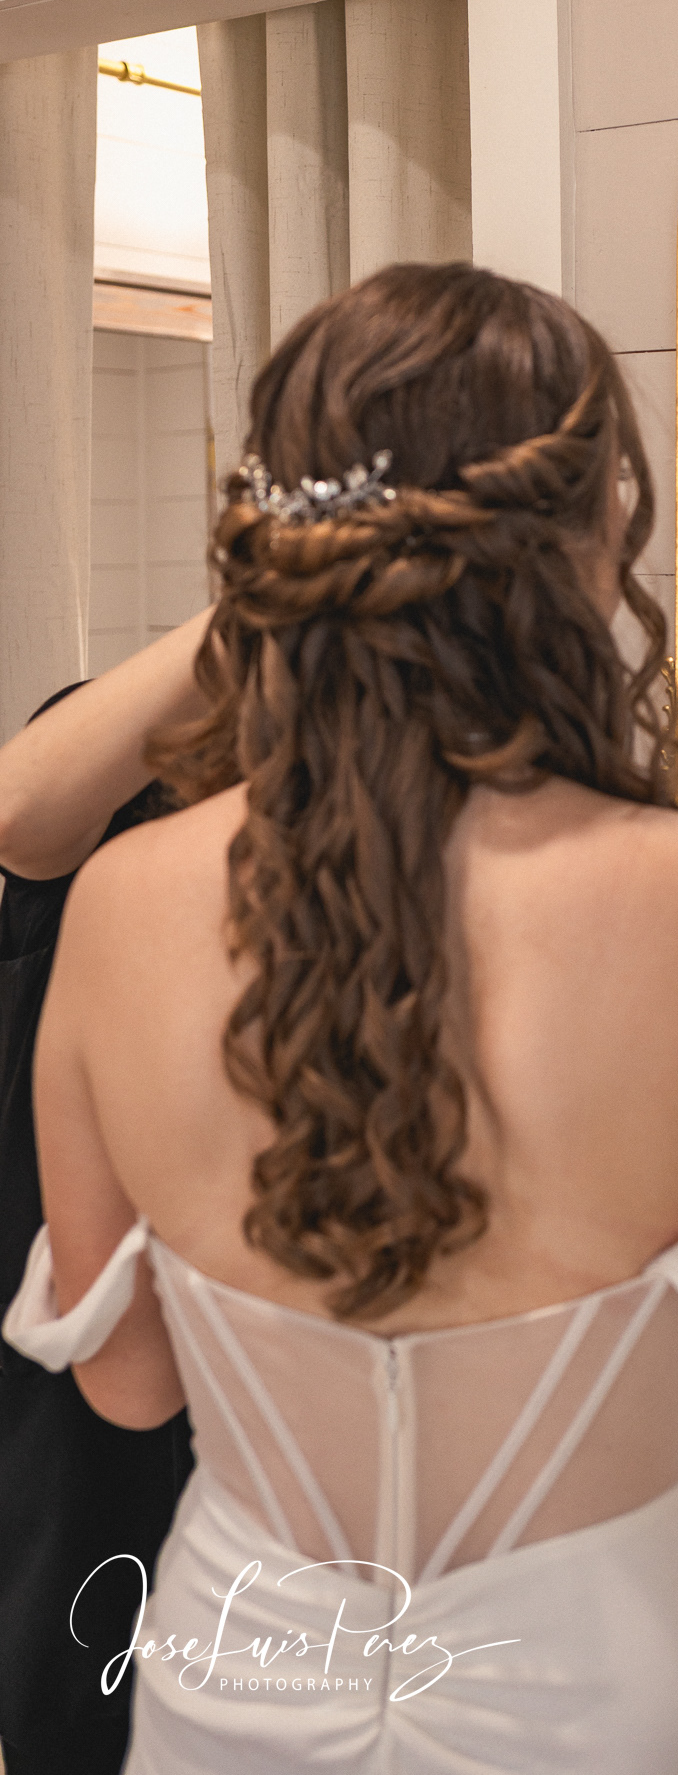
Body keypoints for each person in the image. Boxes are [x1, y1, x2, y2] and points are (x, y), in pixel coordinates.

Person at [1, 264, 678, 1774]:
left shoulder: (123, 900)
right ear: (593, 525)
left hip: (240, 1667)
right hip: (606, 1675)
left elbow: (129, 1382)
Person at [0, 692, 195, 1775]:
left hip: (236, 1381)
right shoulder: (66, 888)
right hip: (72, 1390)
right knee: (77, 1696)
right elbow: (20, 807)